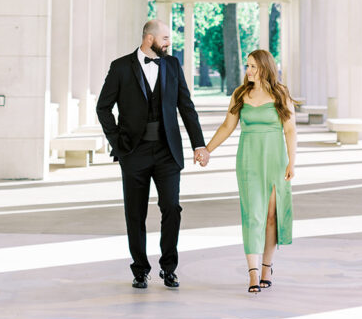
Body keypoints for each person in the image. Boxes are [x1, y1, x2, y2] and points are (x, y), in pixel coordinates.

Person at [96, 19, 210, 290]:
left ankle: (169, 268)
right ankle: (140, 270)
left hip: (167, 151)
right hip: (133, 152)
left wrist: (199, 144)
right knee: (135, 213)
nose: (169, 43)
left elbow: (186, 106)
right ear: (150, 39)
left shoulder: (172, 65)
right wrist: (118, 143)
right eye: (165, 38)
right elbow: (103, 107)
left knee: (172, 207)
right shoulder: (120, 67)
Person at [198, 49, 296, 293]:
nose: (248, 70)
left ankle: (266, 268)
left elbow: (290, 130)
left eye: (253, 66)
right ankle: (252, 273)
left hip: (275, 160)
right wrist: (207, 150)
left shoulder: (280, 93)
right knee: (253, 215)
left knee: (271, 217)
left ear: (265, 67)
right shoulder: (240, 94)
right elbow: (227, 126)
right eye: (247, 66)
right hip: (249, 160)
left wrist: (291, 162)